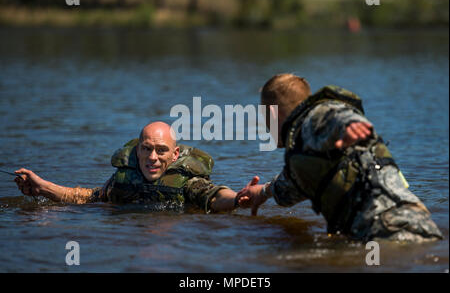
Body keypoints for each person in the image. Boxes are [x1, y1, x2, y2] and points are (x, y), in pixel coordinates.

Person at [237, 74, 443, 242]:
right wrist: (262, 192)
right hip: (418, 223)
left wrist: (349, 124)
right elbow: (289, 187)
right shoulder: (308, 148)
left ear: (273, 115)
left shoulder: (316, 117)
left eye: (264, 117)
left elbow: (336, 115)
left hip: (384, 233)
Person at [15, 121, 239, 213]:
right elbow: (83, 197)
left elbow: (215, 196)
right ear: (138, 150)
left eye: (161, 150)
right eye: (146, 148)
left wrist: (239, 199)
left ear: (174, 155)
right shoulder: (122, 179)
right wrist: (42, 187)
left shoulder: (188, 182)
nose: (152, 157)